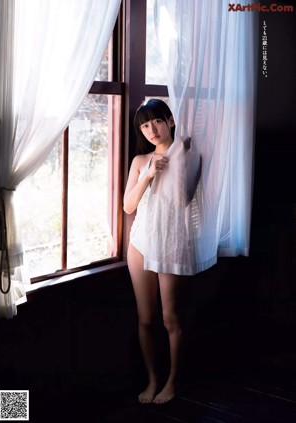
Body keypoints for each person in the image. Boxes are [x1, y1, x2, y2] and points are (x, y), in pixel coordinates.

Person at [124, 98, 192, 404]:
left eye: (157, 121)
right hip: (140, 243)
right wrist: (149, 174)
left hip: (171, 242)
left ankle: (173, 381)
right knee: (146, 318)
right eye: (145, 125)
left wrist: (179, 161)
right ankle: (152, 379)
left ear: (171, 121)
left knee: (170, 318)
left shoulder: (190, 153)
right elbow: (128, 206)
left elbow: (184, 202)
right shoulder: (140, 161)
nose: (151, 129)